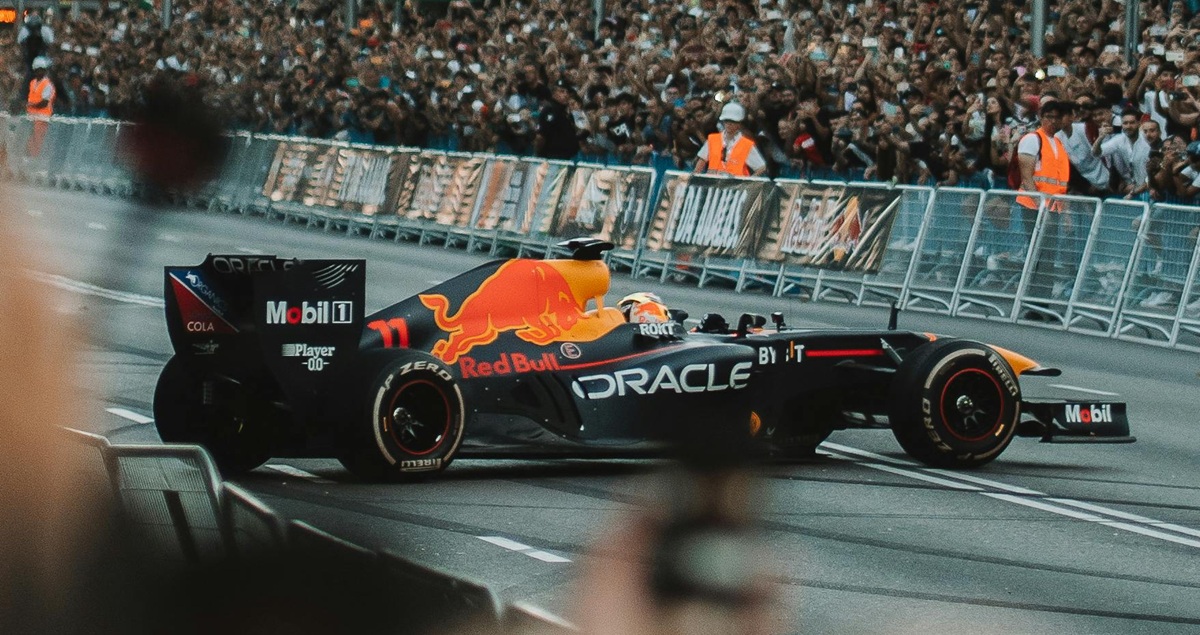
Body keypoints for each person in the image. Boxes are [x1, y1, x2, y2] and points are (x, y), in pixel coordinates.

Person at [1015, 99, 1071, 213]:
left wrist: (1065, 212)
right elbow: (1026, 178)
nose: (1053, 121)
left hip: (1053, 207)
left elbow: (1061, 182)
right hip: (1032, 206)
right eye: (1049, 117)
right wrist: (1040, 206)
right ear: (1041, 117)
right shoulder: (1032, 139)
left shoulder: (1058, 143)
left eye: (1057, 117)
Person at [693, 101, 767, 177]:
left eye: (733, 121)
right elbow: (701, 161)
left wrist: (748, 182)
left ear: (739, 123)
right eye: (726, 120)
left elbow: (761, 167)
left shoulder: (746, 144)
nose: (729, 124)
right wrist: (695, 178)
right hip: (713, 185)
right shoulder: (713, 139)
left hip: (735, 187)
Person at [536, 79, 580, 161]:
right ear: (554, 93)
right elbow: (540, 137)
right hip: (552, 158)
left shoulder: (566, 112)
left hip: (566, 158)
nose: (565, 95)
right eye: (562, 91)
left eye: (567, 92)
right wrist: (538, 155)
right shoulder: (550, 110)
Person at [26, 57, 55, 159]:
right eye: (38, 69)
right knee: (30, 139)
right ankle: (30, 158)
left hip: (42, 118)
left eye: (42, 69)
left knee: (38, 141)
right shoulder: (33, 82)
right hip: (32, 116)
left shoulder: (47, 84)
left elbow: (44, 103)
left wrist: (30, 105)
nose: (40, 72)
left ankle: (35, 160)